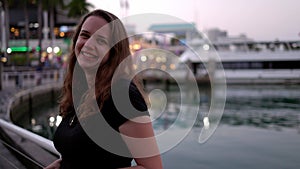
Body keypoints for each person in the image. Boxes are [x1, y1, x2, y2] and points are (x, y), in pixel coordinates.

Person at [44, 9, 163, 169]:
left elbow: (153, 167)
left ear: (113, 51)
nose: (89, 44)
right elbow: (81, 157)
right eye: (85, 35)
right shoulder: (82, 92)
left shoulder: (123, 94)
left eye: (100, 41)